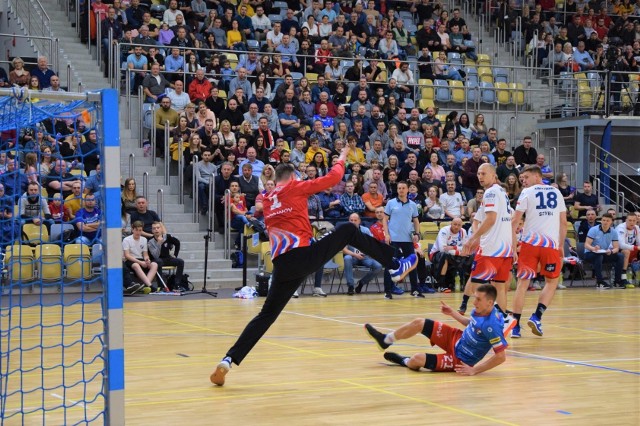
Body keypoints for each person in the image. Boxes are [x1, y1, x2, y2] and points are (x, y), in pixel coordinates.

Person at [210, 145, 418, 387]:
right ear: (293, 178)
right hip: (302, 257)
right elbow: (334, 178)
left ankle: (228, 359)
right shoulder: (295, 187)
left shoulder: (267, 199)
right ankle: (394, 265)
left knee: (265, 316)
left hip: (281, 266)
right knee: (349, 229)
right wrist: (341, 157)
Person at [364, 284, 507, 375]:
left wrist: (474, 370)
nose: (474, 302)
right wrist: (452, 313)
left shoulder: (492, 326)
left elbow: (501, 357)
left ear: (489, 302)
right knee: (419, 322)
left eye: (478, 299)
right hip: (455, 337)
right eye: (474, 298)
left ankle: (404, 361)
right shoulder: (480, 309)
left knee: (417, 359)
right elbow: (471, 323)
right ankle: (386, 340)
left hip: (459, 359)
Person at [510, 165, 567, 339]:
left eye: (525, 178)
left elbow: (515, 222)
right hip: (550, 245)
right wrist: (561, 246)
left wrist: (513, 248)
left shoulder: (527, 193)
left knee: (522, 284)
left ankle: (515, 326)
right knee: (551, 282)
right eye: (522, 180)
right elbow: (563, 222)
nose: (523, 182)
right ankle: (537, 316)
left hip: (530, 244)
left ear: (537, 176)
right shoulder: (557, 193)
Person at [462, 163, 516, 336]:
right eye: (478, 173)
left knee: (477, 287)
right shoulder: (502, 193)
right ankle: (504, 320)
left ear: (494, 176)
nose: (480, 176)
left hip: (491, 249)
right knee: (500, 288)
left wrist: (473, 238)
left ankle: (480, 325)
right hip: (505, 249)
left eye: (484, 173)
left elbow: (491, 219)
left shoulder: (491, 192)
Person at [382, 181, 423, 299]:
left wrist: (417, 233)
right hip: (393, 239)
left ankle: (415, 290)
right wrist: (387, 234)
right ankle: (387, 291)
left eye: (403, 188)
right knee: (389, 265)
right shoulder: (391, 203)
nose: (401, 190)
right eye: (399, 188)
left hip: (407, 239)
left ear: (407, 190)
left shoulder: (413, 205)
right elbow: (385, 219)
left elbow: (416, 220)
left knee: (412, 264)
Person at [343, 213, 383, 295]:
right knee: (347, 258)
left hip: (365, 257)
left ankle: (362, 282)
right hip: (352, 256)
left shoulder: (366, 230)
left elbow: (372, 245)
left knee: (378, 266)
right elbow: (344, 250)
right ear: (348, 221)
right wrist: (355, 255)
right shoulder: (345, 232)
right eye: (351, 220)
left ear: (359, 221)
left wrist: (368, 253)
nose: (353, 222)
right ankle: (350, 286)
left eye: (355, 220)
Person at [584, 213, 625, 289]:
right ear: (601, 220)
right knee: (598, 256)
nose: (605, 222)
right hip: (590, 253)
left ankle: (617, 281)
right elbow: (586, 245)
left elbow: (616, 247)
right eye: (603, 220)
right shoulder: (593, 230)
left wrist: (611, 251)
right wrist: (593, 248)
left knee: (620, 256)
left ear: (611, 222)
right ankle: (599, 282)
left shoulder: (613, 232)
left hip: (603, 253)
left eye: (607, 220)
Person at [429, 218, 469, 293]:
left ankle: (465, 283)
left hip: (452, 253)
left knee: (470, 256)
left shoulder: (463, 232)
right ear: (451, 224)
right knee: (445, 255)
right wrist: (458, 252)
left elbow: (465, 248)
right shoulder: (444, 231)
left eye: (459, 225)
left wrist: (454, 247)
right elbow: (442, 249)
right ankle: (441, 285)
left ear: (461, 226)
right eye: (455, 224)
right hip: (436, 254)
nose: (456, 227)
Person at [122, 221, 158, 293]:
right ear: (133, 230)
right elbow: (127, 255)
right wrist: (140, 262)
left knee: (154, 264)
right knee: (136, 265)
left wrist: (147, 260)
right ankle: (150, 286)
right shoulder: (126, 240)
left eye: (140, 230)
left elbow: (145, 254)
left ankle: (145, 286)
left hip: (140, 259)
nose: (138, 232)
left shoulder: (144, 239)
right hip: (130, 259)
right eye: (136, 230)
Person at [148, 221, 184, 288]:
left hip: (167, 258)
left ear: (161, 229)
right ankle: (161, 286)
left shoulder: (167, 237)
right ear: (152, 231)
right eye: (154, 228)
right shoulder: (150, 241)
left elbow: (177, 243)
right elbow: (155, 256)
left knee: (180, 262)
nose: (156, 230)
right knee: (158, 262)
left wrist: (175, 255)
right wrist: (159, 243)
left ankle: (177, 284)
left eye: (158, 228)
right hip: (157, 260)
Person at [615, 214, 639, 288]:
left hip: (629, 247)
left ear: (636, 221)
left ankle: (638, 278)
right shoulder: (621, 228)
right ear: (626, 220)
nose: (632, 222)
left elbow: (639, 242)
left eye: (634, 220)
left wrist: (637, 247)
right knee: (626, 252)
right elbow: (621, 245)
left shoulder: (636, 228)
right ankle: (623, 278)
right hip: (615, 248)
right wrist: (636, 248)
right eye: (630, 220)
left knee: (628, 251)